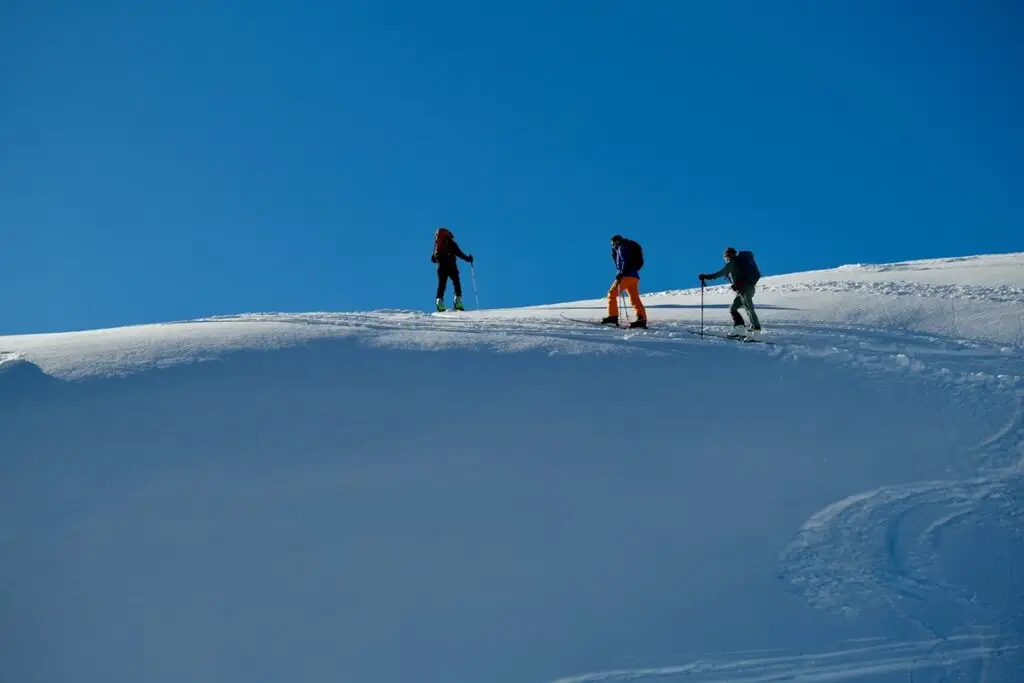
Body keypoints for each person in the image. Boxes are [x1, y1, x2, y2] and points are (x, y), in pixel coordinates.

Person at [699, 246, 762, 333]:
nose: (725, 258)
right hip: (746, 289)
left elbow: (721, 273)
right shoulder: (738, 263)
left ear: (728, 256)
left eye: (726, 256)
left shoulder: (732, 263)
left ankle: (756, 329)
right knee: (733, 308)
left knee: (749, 308)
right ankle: (739, 328)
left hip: (745, 289)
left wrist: (707, 276)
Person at [602, 234, 648, 328]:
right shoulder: (626, 246)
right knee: (634, 298)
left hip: (626, 275)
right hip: (634, 276)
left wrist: (621, 273)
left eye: (613, 243)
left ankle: (613, 316)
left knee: (612, 293)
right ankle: (642, 319)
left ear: (617, 241)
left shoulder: (622, 247)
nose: (612, 245)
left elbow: (625, 260)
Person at [431, 227, 473, 311]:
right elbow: (459, 253)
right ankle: (458, 301)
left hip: (441, 267)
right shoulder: (452, 244)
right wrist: (468, 259)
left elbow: (433, 259)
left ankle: (439, 302)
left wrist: (437, 257)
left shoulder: (437, 245)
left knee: (441, 285)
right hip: (452, 267)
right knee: (456, 283)